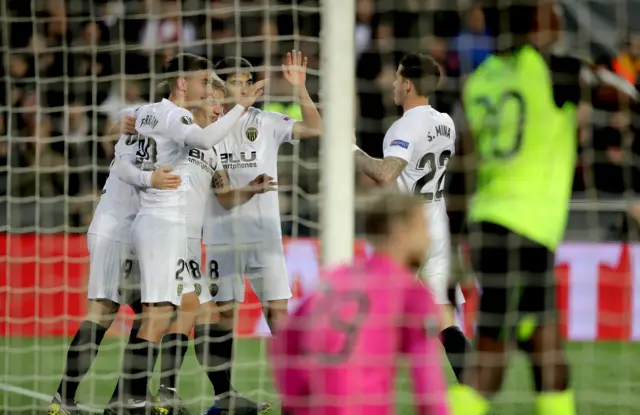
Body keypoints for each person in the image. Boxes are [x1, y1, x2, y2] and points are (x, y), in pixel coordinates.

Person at [449, 1, 638, 414]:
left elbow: (462, 167)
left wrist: (452, 243)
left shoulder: (480, 80)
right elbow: (625, 95)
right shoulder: (557, 71)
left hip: (488, 227)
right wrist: (602, 68)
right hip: (523, 233)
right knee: (488, 369)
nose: (559, 17)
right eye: (553, 9)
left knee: (549, 355)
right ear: (536, 20)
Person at [113, 53, 264, 414]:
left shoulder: (202, 145)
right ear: (185, 85)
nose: (214, 104)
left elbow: (223, 194)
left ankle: (166, 392)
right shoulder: (178, 122)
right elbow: (144, 132)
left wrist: (251, 190)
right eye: (209, 94)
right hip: (164, 227)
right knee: (157, 316)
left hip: (183, 237)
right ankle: (130, 398)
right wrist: (239, 107)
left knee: (197, 313)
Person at [198, 50, 321, 412]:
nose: (244, 87)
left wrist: (300, 89)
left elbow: (315, 128)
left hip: (265, 236)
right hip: (222, 237)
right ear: (219, 88)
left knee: (279, 318)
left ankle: (294, 399)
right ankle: (224, 399)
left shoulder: (266, 121)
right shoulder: (207, 129)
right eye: (236, 81)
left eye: (247, 81)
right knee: (221, 319)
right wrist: (249, 188)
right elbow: (221, 198)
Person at [271, 189, 450, 415]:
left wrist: (294, 401)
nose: (429, 238)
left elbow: (284, 340)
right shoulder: (411, 293)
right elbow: (429, 392)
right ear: (399, 232)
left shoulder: (334, 279)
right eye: (423, 227)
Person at [47, 115, 181, 415]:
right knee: (106, 311)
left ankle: (122, 394)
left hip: (129, 231)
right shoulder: (155, 118)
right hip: (117, 231)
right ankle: (68, 398)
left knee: (154, 312)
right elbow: (111, 130)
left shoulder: (161, 123)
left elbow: (113, 133)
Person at [353, 52, 472, 383]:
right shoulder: (446, 122)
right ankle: (474, 394)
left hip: (406, 233)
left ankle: (351, 393)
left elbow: (386, 173)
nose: (392, 83)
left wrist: (349, 149)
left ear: (407, 84)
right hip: (438, 228)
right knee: (447, 322)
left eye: (396, 78)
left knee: (370, 316)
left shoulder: (404, 126)